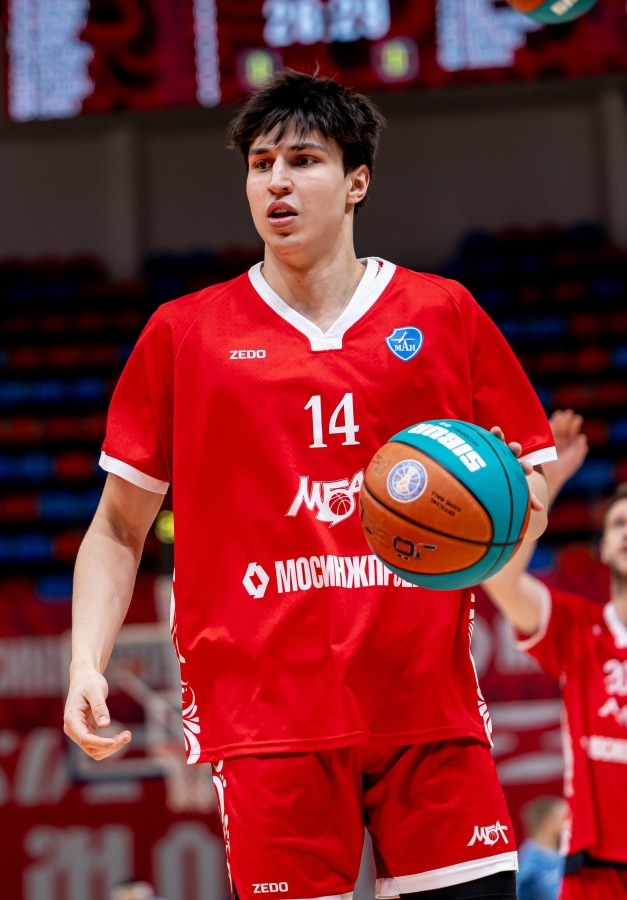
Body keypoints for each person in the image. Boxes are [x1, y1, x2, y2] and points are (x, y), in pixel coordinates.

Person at [64, 70, 556, 900]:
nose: (276, 183)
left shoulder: (441, 313)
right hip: (266, 723)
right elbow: (118, 526)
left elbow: (526, 493)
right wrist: (86, 662)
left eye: (302, 160)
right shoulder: (184, 334)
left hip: (423, 707)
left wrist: (512, 515)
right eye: (260, 165)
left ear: (356, 180)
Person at [484, 409, 627, 900]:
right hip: (593, 870)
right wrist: (550, 483)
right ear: (603, 548)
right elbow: (500, 582)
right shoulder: (578, 626)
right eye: (619, 523)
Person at [516, 796, 566, 900]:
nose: (569, 825)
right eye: (564, 820)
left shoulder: (562, 856)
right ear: (549, 824)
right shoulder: (529, 864)